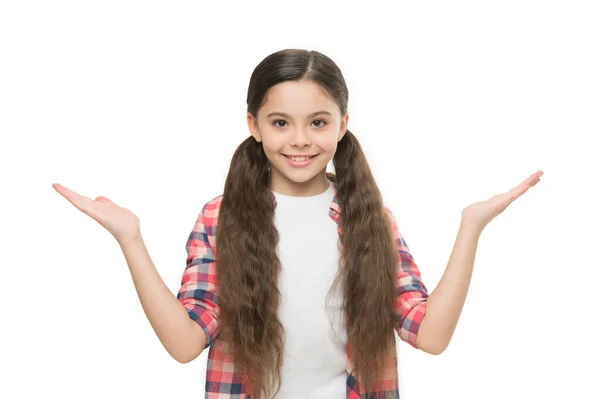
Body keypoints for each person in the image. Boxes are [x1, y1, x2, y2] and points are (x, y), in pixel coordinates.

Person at [53, 48, 543, 399]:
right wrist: (131, 238)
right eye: (281, 122)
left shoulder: (369, 220)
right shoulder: (220, 216)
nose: (300, 140)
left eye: (319, 122)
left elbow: (429, 335)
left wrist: (470, 228)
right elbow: (185, 343)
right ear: (254, 125)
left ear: (342, 124)